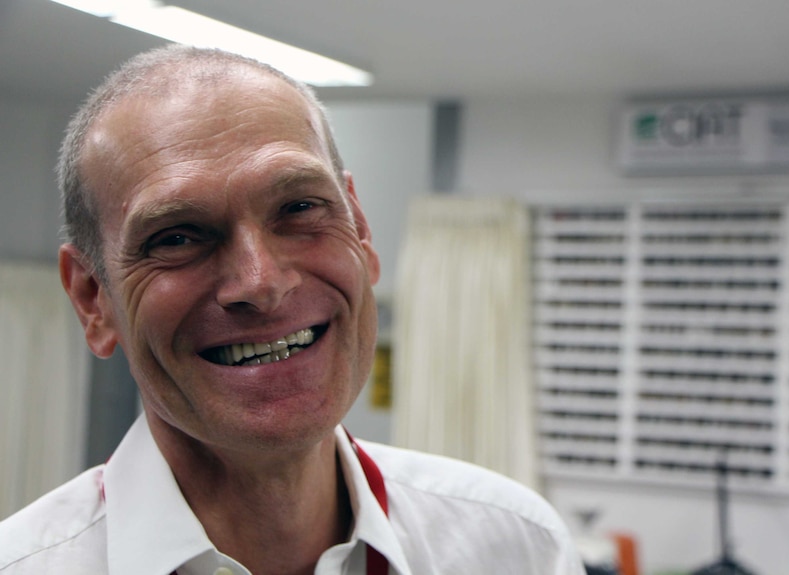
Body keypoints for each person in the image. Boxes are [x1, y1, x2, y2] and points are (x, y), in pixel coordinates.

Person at [0, 44, 583, 575]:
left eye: (300, 206)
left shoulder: (513, 547)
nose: (261, 282)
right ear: (92, 300)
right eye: (177, 236)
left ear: (360, 229)